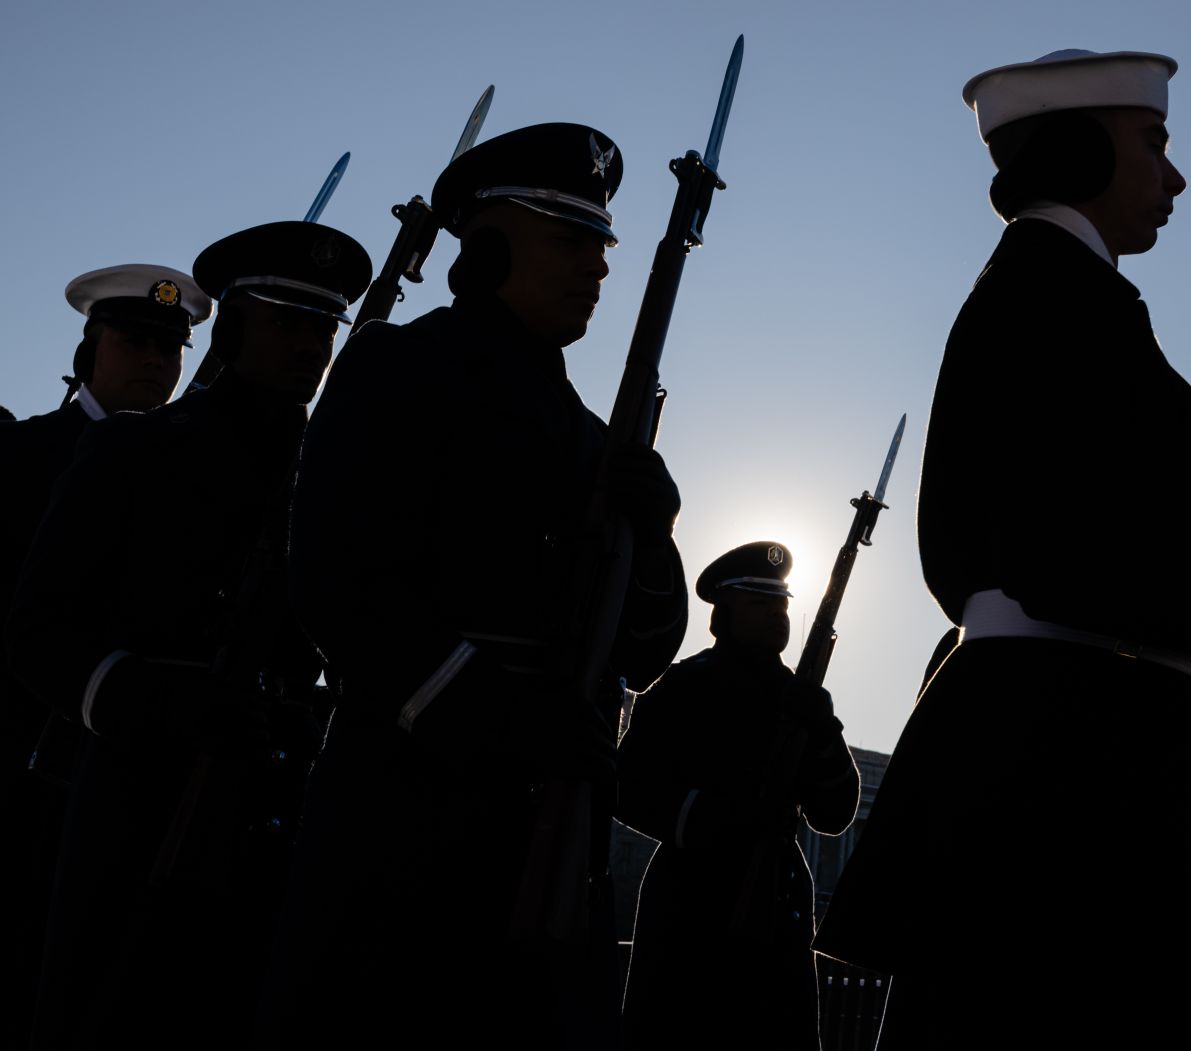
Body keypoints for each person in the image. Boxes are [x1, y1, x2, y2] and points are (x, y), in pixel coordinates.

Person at [813, 49, 1191, 1048]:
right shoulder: (1054, 298)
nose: (1174, 177)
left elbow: (1127, 486)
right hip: (1060, 783)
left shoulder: (1065, 299)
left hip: (1065, 760)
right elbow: (1074, 550)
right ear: (1083, 148)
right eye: (1153, 144)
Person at [256, 123, 689, 1050]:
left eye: (606, 246)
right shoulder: (397, 364)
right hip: (403, 819)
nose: (600, 268)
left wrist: (653, 532)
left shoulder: (583, 430)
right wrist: (498, 718)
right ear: (488, 240)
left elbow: (644, 647)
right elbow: (340, 581)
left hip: (544, 833)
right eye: (572, 239)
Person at [5, 222, 371, 1049]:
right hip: (117, 794)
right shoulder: (129, 452)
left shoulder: (327, 472)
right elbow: (35, 628)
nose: (311, 347)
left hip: (270, 806)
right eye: (289, 322)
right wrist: (150, 697)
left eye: (324, 328)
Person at [0, 263, 211, 1047]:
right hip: (20, 767)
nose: (156, 359)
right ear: (91, 347)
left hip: (138, 780)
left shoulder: (195, 472)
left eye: (172, 346)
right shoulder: (22, 456)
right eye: (136, 340)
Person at [617, 541, 859, 1050]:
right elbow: (629, 786)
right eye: (760, 603)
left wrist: (823, 730)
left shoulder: (803, 698)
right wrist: (717, 819)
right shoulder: (686, 686)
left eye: (783, 603)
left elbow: (834, 814)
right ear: (723, 614)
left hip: (777, 899)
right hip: (694, 899)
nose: (778, 614)